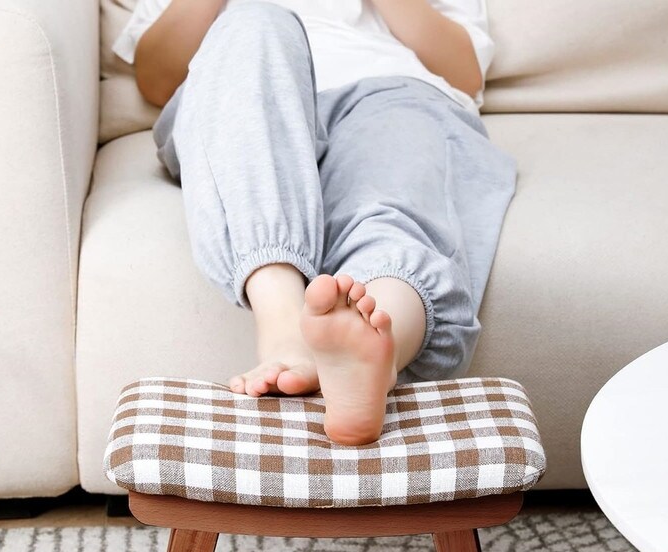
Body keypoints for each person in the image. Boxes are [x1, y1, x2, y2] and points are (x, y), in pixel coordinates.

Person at [112, 0, 516, 445]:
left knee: (393, 195)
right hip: (247, 87)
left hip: (391, 91)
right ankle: (286, 326)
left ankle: (378, 344)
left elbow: (463, 71)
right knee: (253, 21)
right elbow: (156, 78)